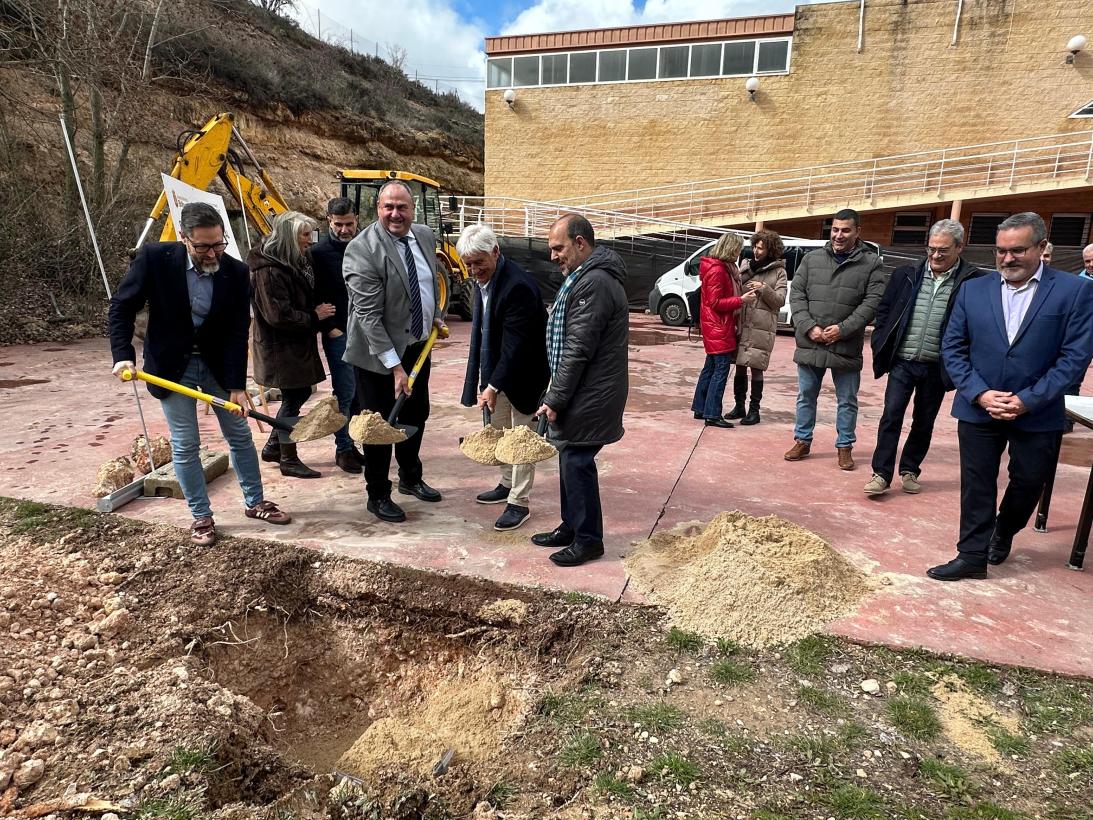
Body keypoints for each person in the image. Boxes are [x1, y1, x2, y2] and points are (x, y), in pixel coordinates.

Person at [108, 202, 291, 547]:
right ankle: (201, 516)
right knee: (185, 442)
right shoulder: (155, 259)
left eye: (218, 244)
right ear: (184, 238)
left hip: (217, 366)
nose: (212, 253)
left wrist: (236, 384)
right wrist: (122, 356)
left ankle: (255, 502)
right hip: (171, 367)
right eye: (203, 246)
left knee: (239, 434)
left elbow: (237, 330)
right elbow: (121, 306)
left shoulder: (236, 272)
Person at [930, 213, 1093, 581]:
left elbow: (1074, 357)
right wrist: (980, 393)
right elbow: (953, 347)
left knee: (1030, 480)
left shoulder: (1074, 291)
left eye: (1017, 250)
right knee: (977, 483)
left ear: (1041, 246)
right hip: (979, 408)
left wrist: (1027, 400)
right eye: (1001, 251)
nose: (1007, 259)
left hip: (1037, 411)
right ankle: (972, 555)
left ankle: (1003, 531)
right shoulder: (973, 290)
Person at [342, 180, 447, 523]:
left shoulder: (425, 236)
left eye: (402, 207)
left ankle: (410, 478)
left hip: (417, 345)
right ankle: (377, 494)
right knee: (380, 425)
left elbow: (428, 282)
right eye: (388, 207)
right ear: (378, 208)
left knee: (415, 414)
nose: (395, 214)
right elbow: (368, 317)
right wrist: (395, 368)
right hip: (378, 357)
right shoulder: (362, 249)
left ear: (413, 209)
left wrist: (435, 315)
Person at [532, 214, 628, 567]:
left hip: (593, 391)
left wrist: (555, 398)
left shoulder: (595, 283)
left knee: (577, 461)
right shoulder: (584, 277)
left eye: (558, 248)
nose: (553, 256)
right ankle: (571, 526)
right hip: (586, 388)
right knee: (568, 456)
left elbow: (577, 348)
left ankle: (588, 540)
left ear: (580, 243)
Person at [864, 219, 985, 496]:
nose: (936, 255)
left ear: (959, 247)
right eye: (931, 249)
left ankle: (910, 469)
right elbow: (884, 310)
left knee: (923, 421)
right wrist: (881, 340)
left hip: (937, 367)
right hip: (903, 362)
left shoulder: (973, 281)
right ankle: (881, 474)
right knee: (891, 416)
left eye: (943, 250)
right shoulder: (906, 274)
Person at [458, 224, 550, 531]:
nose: (474, 270)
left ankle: (519, 502)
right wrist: (490, 382)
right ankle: (507, 482)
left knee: (521, 439)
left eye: (479, 262)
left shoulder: (517, 286)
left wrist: (492, 386)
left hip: (525, 375)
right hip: (499, 371)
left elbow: (516, 345)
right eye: (468, 264)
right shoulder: (483, 282)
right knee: (500, 431)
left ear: (495, 252)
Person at [784, 208, 886, 469]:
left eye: (846, 230)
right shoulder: (812, 259)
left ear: (857, 232)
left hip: (845, 344)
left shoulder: (871, 263)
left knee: (847, 400)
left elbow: (872, 302)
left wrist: (843, 329)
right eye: (835, 229)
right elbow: (797, 295)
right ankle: (802, 440)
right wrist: (809, 327)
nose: (839, 235)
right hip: (812, 341)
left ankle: (845, 446)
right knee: (806, 395)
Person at [251, 211, 331, 480]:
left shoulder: (293, 261)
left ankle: (275, 446)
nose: (309, 240)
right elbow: (278, 315)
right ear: (289, 237)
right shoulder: (269, 271)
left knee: (298, 395)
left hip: (294, 345)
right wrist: (313, 316)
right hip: (280, 348)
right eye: (304, 235)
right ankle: (288, 458)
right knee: (294, 398)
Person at [309, 197, 364, 474]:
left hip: (364, 332)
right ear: (328, 220)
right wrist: (330, 327)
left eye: (349, 224)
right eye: (338, 224)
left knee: (359, 394)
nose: (344, 230)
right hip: (339, 333)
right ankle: (343, 449)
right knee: (344, 392)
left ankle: (352, 443)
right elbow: (313, 293)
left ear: (357, 219)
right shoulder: (318, 253)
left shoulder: (364, 246)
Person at [690, 233, 756, 428]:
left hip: (716, 325)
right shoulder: (718, 270)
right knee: (720, 370)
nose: (739, 253)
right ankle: (712, 413)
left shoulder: (720, 267)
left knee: (710, 368)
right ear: (730, 248)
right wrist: (741, 300)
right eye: (737, 249)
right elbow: (715, 302)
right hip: (719, 325)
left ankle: (701, 407)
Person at [726, 229, 788, 426]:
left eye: (761, 248)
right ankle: (739, 406)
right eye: (755, 246)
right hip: (743, 323)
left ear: (771, 249)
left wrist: (764, 288)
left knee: (756, 368)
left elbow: (780, 301)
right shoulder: (745, 265)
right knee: (739, 366)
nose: (756, 251)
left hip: (762, 327)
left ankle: (754, 411)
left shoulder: (779, 271)